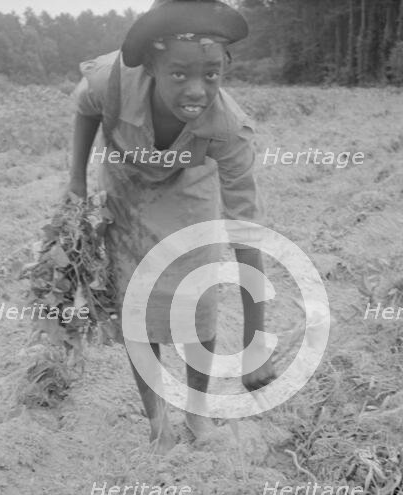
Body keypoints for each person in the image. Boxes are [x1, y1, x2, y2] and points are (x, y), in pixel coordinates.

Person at [67, 0, 276, 454]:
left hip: (188, 189)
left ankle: (197, 414)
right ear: (153, 67)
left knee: (196, 299)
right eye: (179, 74)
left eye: (212, 74)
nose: (197, 90)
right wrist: (76, 181)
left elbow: (245, 231)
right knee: (137, 310)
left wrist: (254, 342)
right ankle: (158, 423)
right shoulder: (113, 79)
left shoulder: (229, 128)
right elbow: (85, 109)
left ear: (225, 69)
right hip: (125, 189)